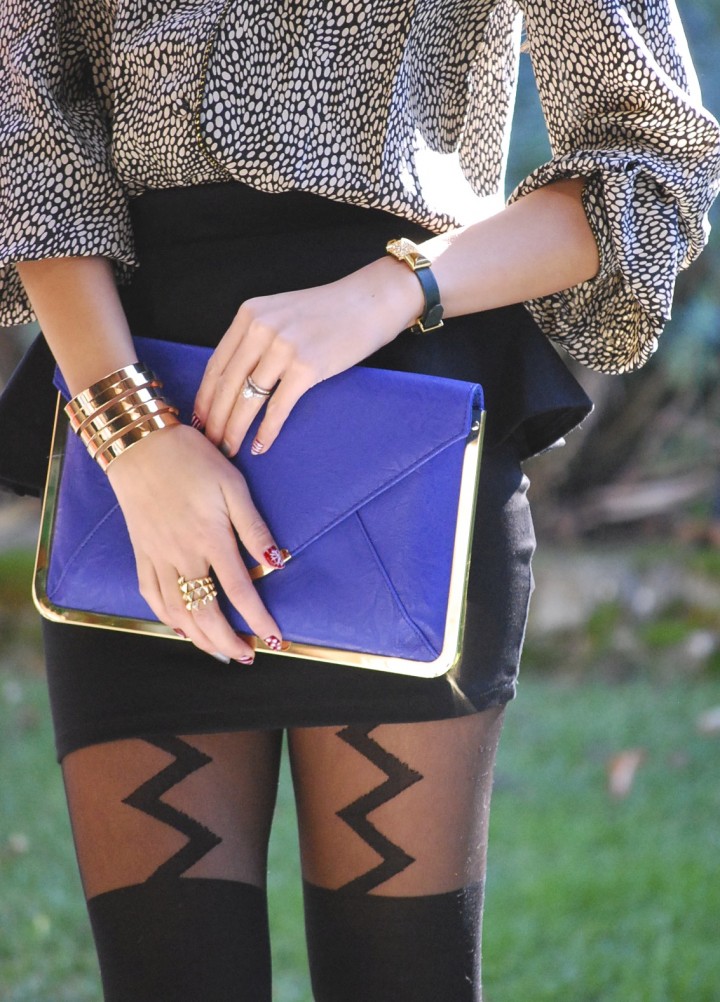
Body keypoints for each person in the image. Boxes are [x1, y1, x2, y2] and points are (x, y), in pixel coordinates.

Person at [1, 2, 718, 999]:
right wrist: (132, 437)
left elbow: (658, 170)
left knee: (403, 981)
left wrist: (397, 289)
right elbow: (29, 147)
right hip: (142, 444)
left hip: (408, 456)